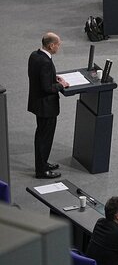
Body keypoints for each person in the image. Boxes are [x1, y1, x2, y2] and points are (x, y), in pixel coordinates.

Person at [28, 33, 69, 179]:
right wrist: (60, 85)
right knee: (44, 138)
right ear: (51, 45)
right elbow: (46, 88)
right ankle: (41, 170)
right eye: (58, 44)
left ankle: (43, 163)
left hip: (38, 103)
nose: (59, 47)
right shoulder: (46, 62)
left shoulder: (35, 55)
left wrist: (53, 78)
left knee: (42, 136)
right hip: (46, 106)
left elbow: (39, 77)